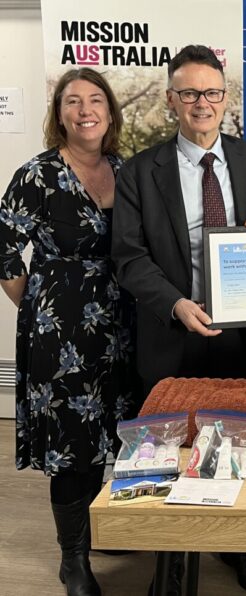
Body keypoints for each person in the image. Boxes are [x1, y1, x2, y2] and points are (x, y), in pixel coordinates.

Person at [112, 45, 246, 595]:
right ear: (170, 101)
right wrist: (176, 305)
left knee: (232, 441)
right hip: (170, 330)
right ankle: (172, 558)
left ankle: (236, 544)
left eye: (211, 92)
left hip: (236, 333)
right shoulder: (139, 169)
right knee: (169, 448)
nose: (201, 103)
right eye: (189, 93)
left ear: (225, 98)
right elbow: (129, 257)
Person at [0, 68, 139, 596]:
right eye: (73, 101)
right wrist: (42, 306)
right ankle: (73, 558)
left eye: (95, 99)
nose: (85, 110)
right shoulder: (37, 175)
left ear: (110, 112)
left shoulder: (128, 170)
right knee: (73, 445)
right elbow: (5, 250)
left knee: (120, 433)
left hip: (125, 326)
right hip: (61, 339)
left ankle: (105, 527)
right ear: (59, 113)